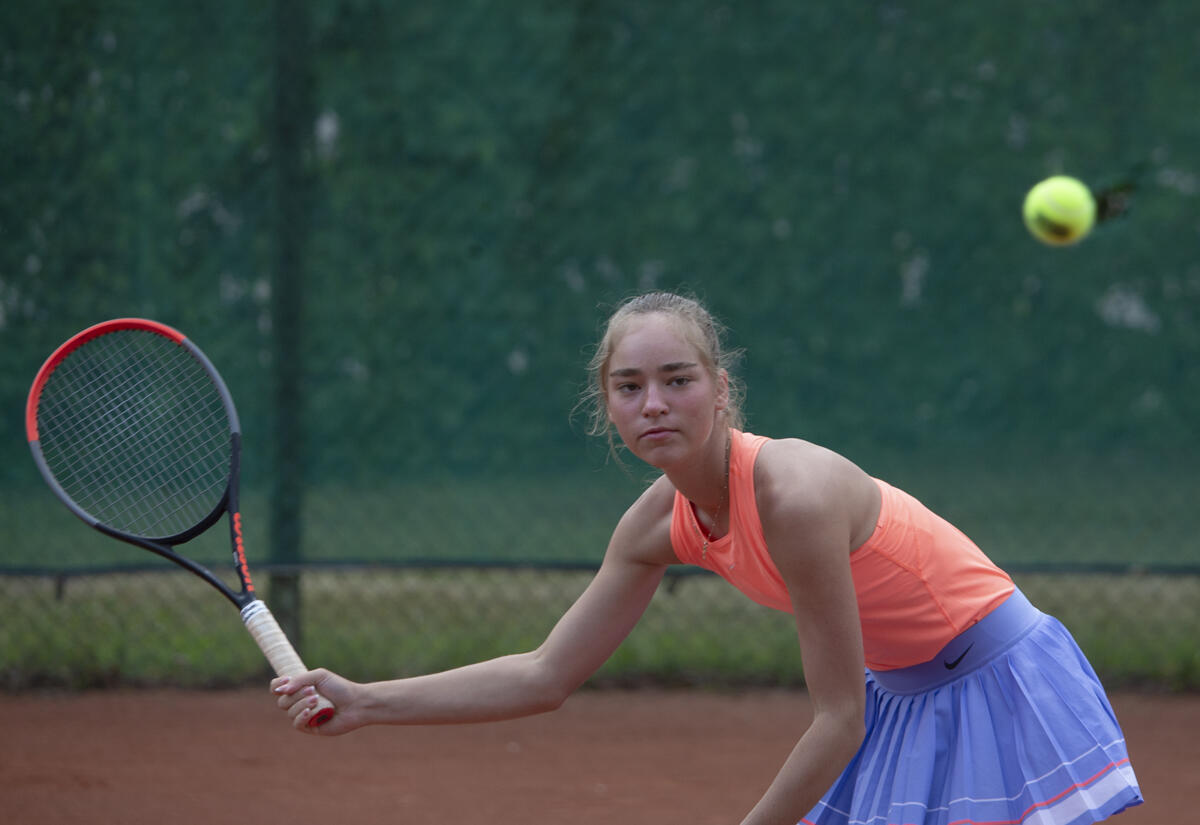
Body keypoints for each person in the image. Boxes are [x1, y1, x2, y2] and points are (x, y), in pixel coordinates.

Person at [273, 291, 1142, 825]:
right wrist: (367, 700)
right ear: (607, 407)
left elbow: (839, 717)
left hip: (995, 677)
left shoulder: (794, 495)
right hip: (902, 696)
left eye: (677, 379)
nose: (654, 402)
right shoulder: (655, 524)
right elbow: (545, 673)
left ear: (721, 390)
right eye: (629, 387)